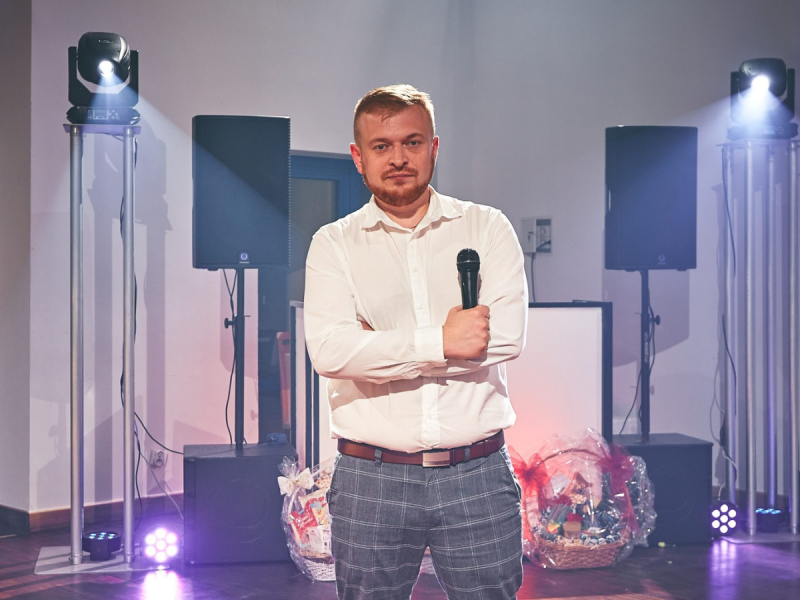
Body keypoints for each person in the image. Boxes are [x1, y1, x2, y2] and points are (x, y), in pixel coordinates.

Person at [304, 84, 528, 600]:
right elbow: (332, 352)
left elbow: (506, 337)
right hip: (370, 479)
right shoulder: (333, 244)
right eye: (381, 146)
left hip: (478, 474)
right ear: (358, 157)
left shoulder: (486, 227)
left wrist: (378, 348)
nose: (398, 158)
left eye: (412, 142)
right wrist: (444, 342)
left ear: (434, 148)